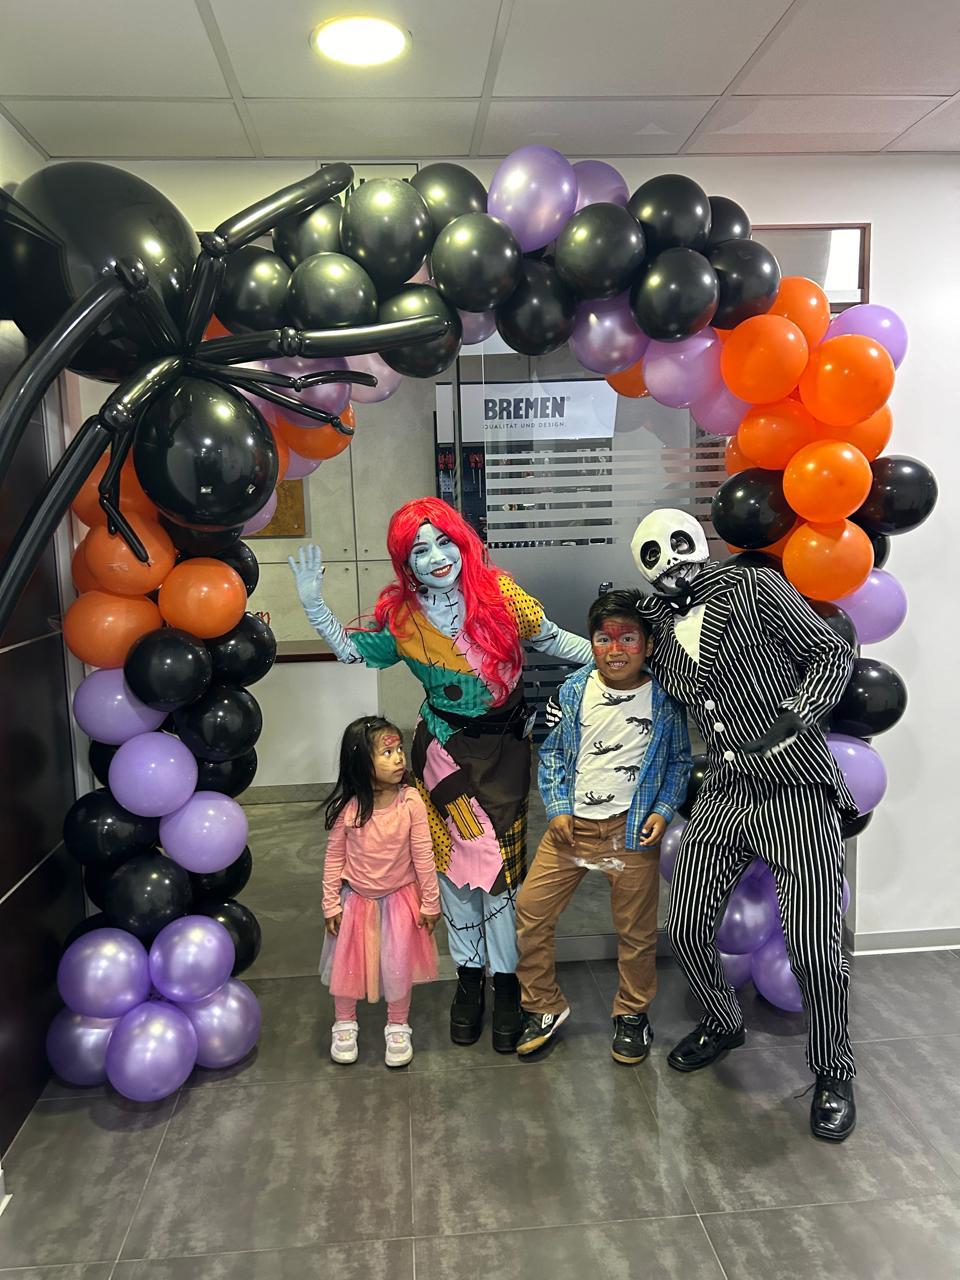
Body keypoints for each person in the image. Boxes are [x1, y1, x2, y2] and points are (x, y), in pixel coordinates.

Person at [290, 497, 592, 1052]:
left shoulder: (502, 596)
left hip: (505, 754)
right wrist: (315, 607)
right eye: (419, 550)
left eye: (443, 542)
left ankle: (507, 984)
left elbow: (553, 639)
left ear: (462, 541)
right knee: (451, 870)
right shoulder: (403, 618)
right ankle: (469, 980)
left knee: (501, 877)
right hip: (442, 753)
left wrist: (614, 660)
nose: (436, 557)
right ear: (405, 562)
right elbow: (353, 652)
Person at [630, 508, 859, 1141]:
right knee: (685, 925)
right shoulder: (663, 631)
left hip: (794, 787)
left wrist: (797, 713)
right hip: (727, 791)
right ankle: (724, 1021)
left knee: (814, 947)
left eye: (678, 542)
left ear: (699, 541)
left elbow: (831, 652)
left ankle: (833, 1070)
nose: (670, 559)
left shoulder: (752, 585)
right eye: (652, 554)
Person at [514, 590, 691, 1061]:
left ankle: (632, 1012)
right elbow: (552, 753)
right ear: (591, 642)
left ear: (648, 644)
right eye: (603, 639)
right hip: (571, 830)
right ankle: (543, 1004)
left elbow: (678, 762)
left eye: (628, 638)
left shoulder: (666, 698)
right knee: (531, 910)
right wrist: (557, 809)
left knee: (636, 930)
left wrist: (663, 810)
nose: (615, 650)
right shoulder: (574, 690)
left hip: (631, 832)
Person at [320, 715, 441, 1068]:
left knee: (398, 964)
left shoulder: (410, 802)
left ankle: (398, 1025)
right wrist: (330, 903)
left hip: (400, 900)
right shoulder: (350, 807)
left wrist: (430, 901)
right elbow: (334, 858)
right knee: (348, 965)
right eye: (387, 753)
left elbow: (423, 855)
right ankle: (344, 1022)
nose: (399, 758)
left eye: (399, 749)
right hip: (355, 902)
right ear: (361, 761)